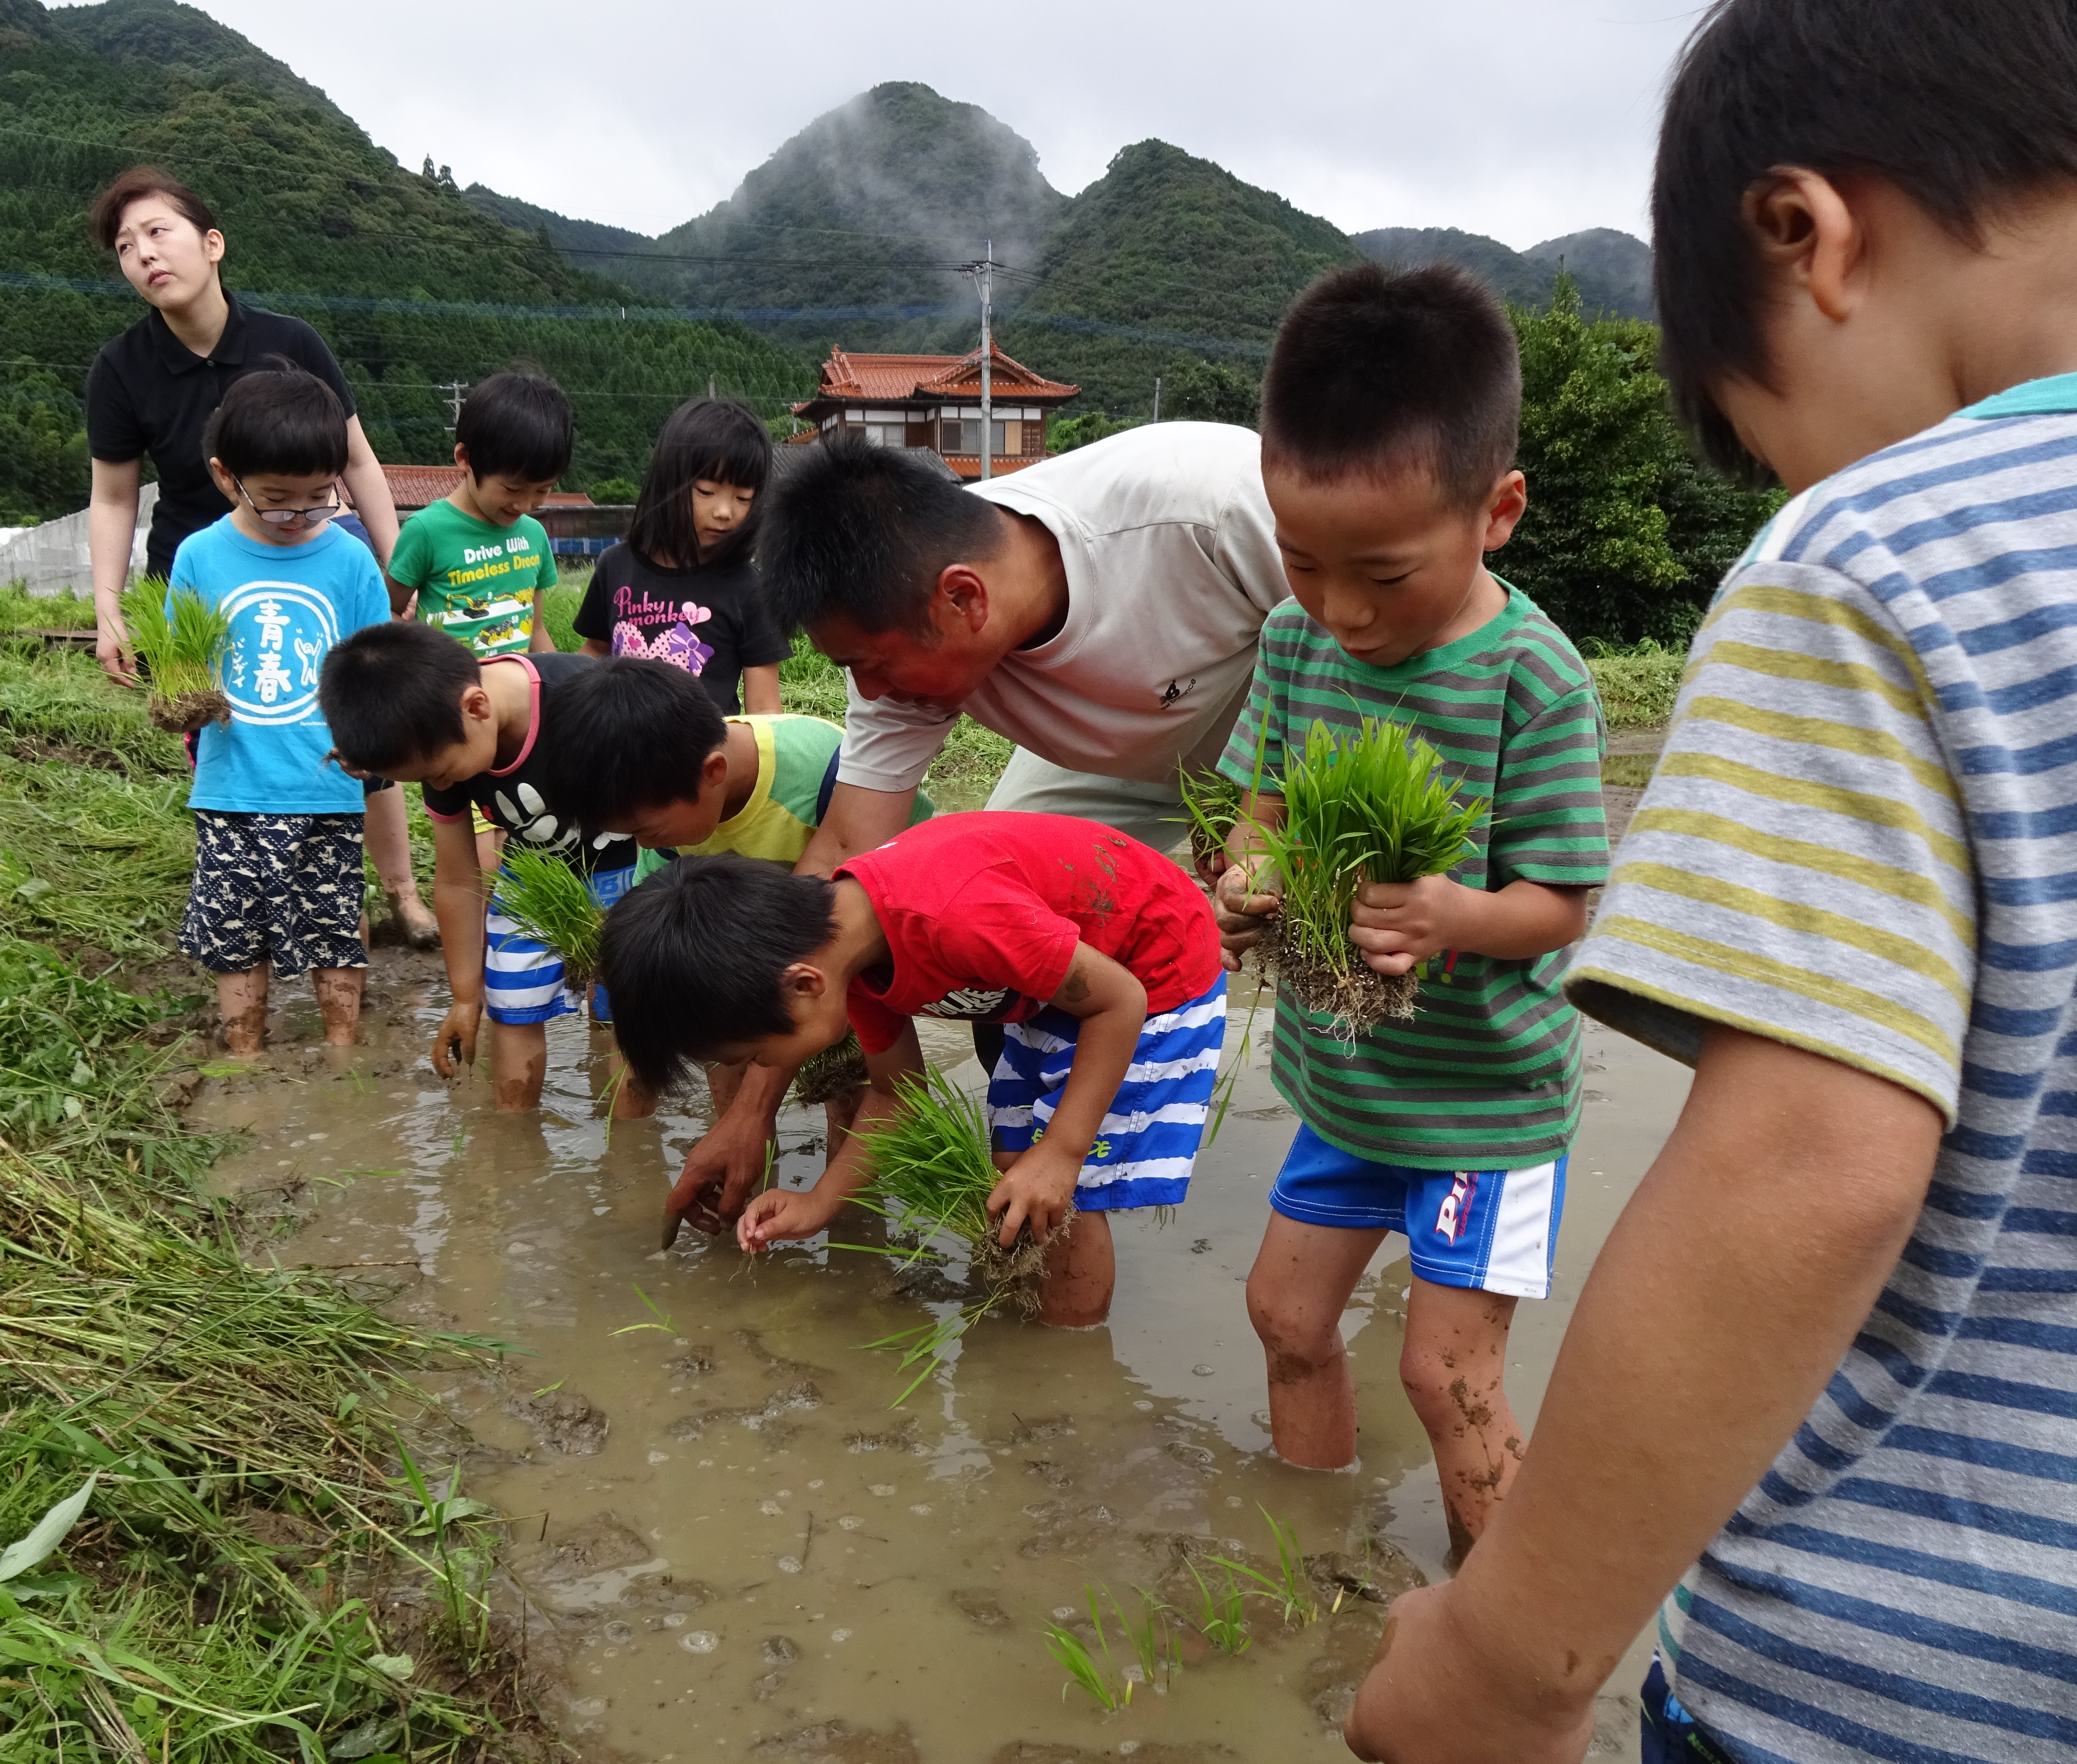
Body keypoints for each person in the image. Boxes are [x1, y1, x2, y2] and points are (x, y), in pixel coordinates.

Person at [1343, 3, 2077, 1761]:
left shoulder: (1883, 552)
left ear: (1806, 235)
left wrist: (1505, 1661)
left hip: (1904, 1679)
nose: (1797, 480)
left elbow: (1809, 1168)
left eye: (1766, 435)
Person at [1210, 262, 1609, 1564]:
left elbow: (1563, 905)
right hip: (1348, 1089)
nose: (1344, 609)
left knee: (1449, 1380)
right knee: (1282, 1315)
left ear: (1496, 513)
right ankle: (1320, 1563)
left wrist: (1448, 916)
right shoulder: (1292, 642)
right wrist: (1248, 882)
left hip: (1483, 1112)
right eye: (1304, 561)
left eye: (1383, 571)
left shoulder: (1532, 680)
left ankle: (1488, 1628)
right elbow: (1261, 810)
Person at [683, 420, 1286, 1208]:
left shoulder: (1211, 506)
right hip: (1104, 755)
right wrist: (748, 1114)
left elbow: (1361, 645)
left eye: (868, 665)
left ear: (963, 598)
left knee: (1361, 930)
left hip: (1285, 717)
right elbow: (837, 863)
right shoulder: (900, 632)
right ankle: (1033, 1161)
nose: (865, 694)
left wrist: (1265, 815)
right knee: (1005, 950)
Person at [598, 815, 1228, 1325]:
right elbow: (897, 1093)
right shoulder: (853, 962)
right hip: (1065, 983)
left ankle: (1072, 1352)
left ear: (803, 986)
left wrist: (1065, 1151)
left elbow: (1119, 1000)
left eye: (756, 1055)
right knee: (1017, 1170)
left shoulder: (951, 914)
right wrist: (819, 1202)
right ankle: (1030, 1310)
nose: (763, 1070)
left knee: (1068, 1192)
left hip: (1151, 969)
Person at [81, 165, 436, 946]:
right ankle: (252, 899)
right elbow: (113, 497)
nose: (143, 253)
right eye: (124, 244)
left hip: (313, 557)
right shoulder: (122, 368)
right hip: (202, 583)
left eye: (158, 232)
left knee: (354, 725)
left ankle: (402, 893)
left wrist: (394, 565)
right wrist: (108, 606)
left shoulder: (289, 342)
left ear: (212, 244)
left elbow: (359, 462)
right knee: (227, 737)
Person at [544, 655, 936, 1200]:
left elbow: (828, 942)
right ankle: (744, 1199)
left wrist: (759, 1107)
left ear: (713, 774)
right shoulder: (670, 809)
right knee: (724, 1055)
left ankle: (849, 1213)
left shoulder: (829, 775)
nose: (646, 846)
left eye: (646, 831)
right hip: (762, 950)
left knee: (845, 1086)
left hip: (859, 952)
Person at [316, 621, 646, 1115]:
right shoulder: (435, 734)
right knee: (510, 1006)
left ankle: (627, 1157)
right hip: (533, 873)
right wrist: (467, 997)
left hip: (633, 867)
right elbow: (455, 879)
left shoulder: (591, 701)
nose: (437, 784)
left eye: (438, 774)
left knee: (632, 1013)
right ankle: (514, 1146)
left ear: (477, 708)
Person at [168, 366, 389, 1054]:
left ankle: (343, 1055)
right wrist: (179, 702)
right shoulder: (201, 556)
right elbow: (179, 661)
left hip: (327, 787)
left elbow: (375, 668)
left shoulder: (349, 561)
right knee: (235, 934)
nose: (297, 516)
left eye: (317, 499)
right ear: (226, 476)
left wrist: (375, 743)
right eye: (276, 501)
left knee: (335, 923)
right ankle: (246, 1057)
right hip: (233, 788)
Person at [387, 370, 571, 872]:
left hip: (514, 715)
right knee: (467, 842)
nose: (526, 504)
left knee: (519, 827)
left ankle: (504, 924)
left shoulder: (532, 535)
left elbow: (535, 629)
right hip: (451, 714)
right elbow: (391, 609)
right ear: (466, 460)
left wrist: (563, 691)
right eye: (513, 488)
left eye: (543, 491)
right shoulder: (426, 531)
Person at [574, 398, 787, 714]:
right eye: (706, 492)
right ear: (668, 482)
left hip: (706, 755)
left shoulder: (751, 589)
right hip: (618, 748)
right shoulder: (615, 565)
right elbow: (595, 649)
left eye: (744, 498)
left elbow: (766, 710)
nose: (725, 512)